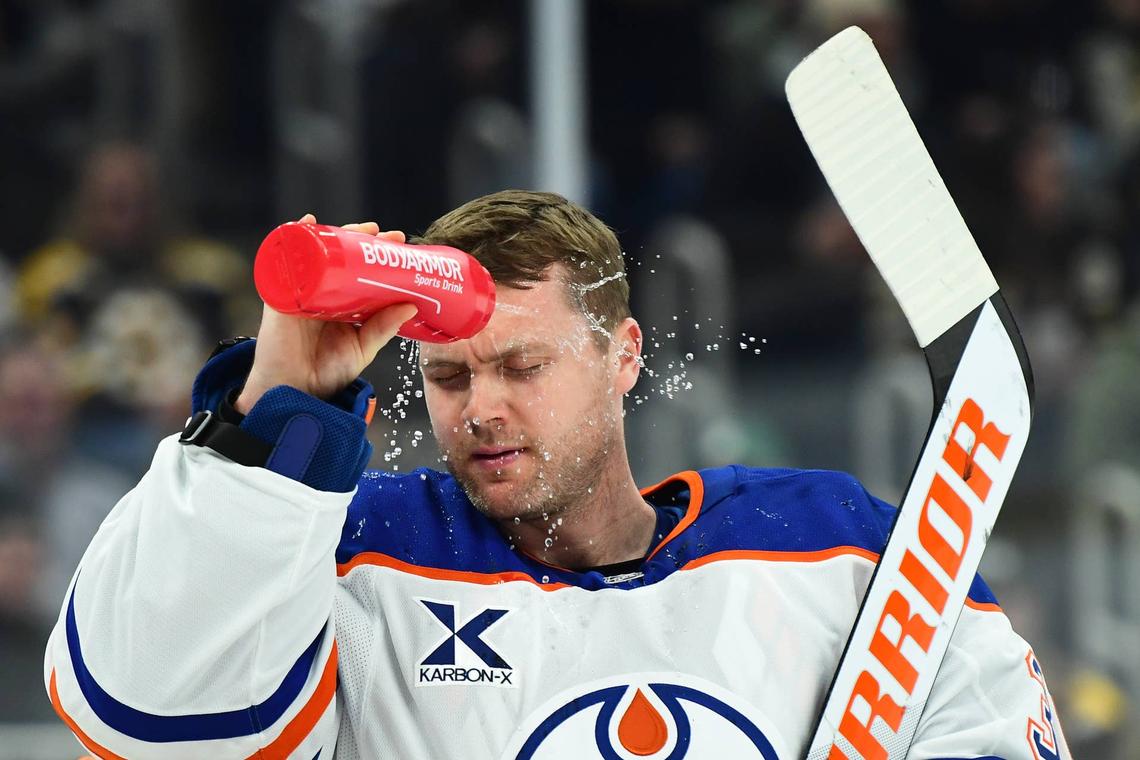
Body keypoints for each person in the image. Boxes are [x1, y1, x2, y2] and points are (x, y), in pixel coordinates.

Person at [44, 190, 1070, 759]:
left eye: (523, 365)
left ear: (623, 356)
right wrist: (277, 421)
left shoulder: (838, 545)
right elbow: (146, 718)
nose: (479, 404)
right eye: (447, 375)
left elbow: (992, 732)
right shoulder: (348, 556)